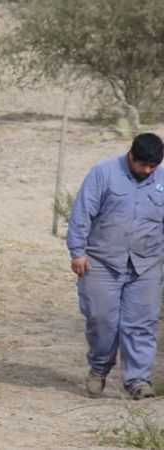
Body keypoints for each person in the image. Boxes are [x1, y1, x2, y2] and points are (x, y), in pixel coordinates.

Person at [67, 132, 164, 400]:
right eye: (143, 165)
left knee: (141, 323)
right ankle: (99, 368)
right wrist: (77, 252)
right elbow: (82, 213)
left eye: (153, 166)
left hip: (147, 264)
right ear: (131, 155)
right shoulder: (103, 173)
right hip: (101, 262)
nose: (147, 171)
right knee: (101, 321)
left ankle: (138, 380)